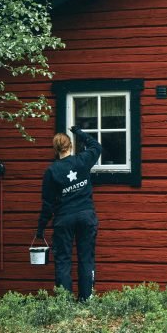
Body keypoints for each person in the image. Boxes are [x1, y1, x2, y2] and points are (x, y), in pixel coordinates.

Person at [36, 126, 102, 301]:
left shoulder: (52, 172)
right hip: (86, 216)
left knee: (63, 260)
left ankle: (65, 302)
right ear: (70, 146)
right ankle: (86, 299)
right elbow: (96, 146)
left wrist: (41, 228)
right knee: (86, 258)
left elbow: (47, 204)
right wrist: (79, 133)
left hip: (64, 219)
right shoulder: (82, 160)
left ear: (55, 149)